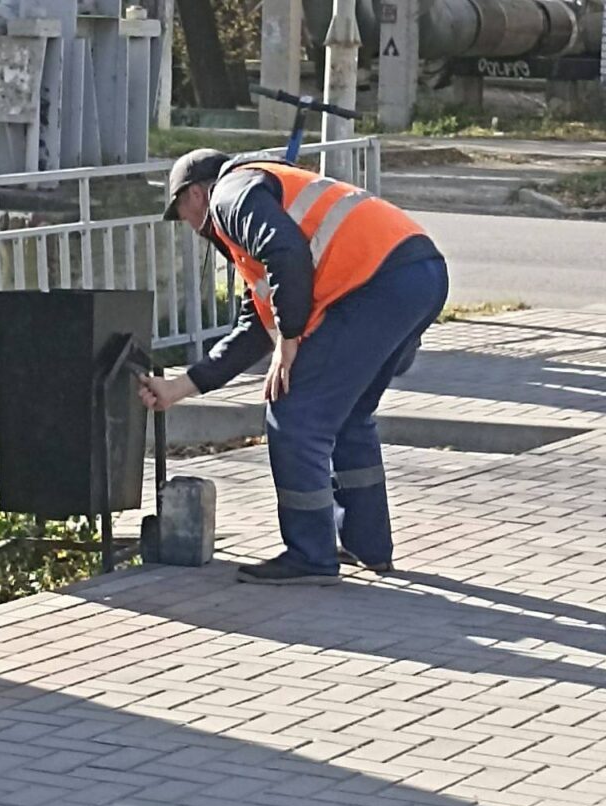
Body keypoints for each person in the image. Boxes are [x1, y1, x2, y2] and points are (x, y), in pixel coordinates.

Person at [140, 148, 448, 585]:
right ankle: (367, 545)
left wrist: (289, 337)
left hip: (376, 284)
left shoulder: (232, 195)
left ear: (195, 194)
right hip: (418, 273)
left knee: (293, 415)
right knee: (348, 417)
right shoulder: (264, 196)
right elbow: (252, 329)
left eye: (183, 213)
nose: (190, 226)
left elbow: (287, 253)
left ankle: (310, 554)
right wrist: (179, 388)